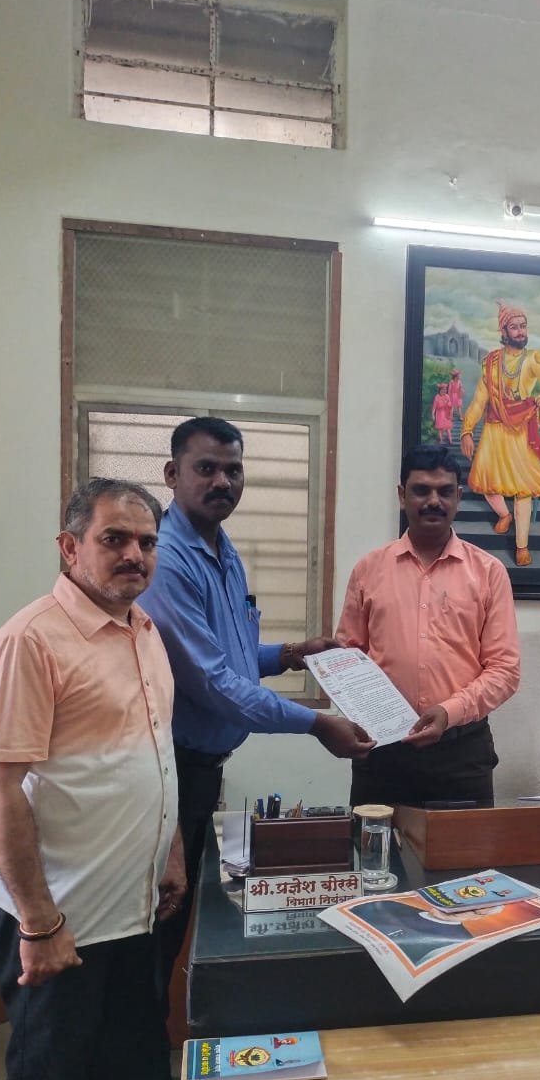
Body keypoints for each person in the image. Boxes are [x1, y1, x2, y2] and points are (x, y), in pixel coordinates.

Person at [0, 478, 181, 1080]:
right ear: (70, 547)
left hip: (128, 910)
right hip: (59, 919)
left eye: (147, 542)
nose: (134, 555)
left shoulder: (143, 630)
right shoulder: (29, 641)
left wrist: (171, 851)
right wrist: (38, 922)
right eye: (114, 539)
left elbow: (155, 753)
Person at [140, 417, 374, 996]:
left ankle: (152, 1039)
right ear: (172, 474)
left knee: (176, 924)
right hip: (168, 773)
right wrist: (316, 724)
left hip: (201, 772)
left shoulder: (221, 549)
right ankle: (141, 1049)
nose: (222, 482)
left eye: (234, 470)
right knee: (155, 932)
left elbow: (234, 654)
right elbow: (213, 682)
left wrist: (291, 654)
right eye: (206, 468)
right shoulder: (168, 560)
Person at [335, 445, 520, 808]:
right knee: (375, 845)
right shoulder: (368, 570)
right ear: (402, 496)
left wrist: (449, 712)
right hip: (383, 754)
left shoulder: (489, 573)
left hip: (461, 754)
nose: (434, 501)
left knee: (464, 848)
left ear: (458, 498)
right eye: (421, 490)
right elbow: (347, 658)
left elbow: (505, 670)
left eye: (444, 491)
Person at [460, 302, 540, 566]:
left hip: (520, 430)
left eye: (523, 326)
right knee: (487, 483)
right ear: (504, 331)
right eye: (514, 327)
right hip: (493, 430)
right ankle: (504, 515)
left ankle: (522, 546)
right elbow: (479, 401)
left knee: (523, 490)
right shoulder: (491, 362)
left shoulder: (534, 359)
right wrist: (466, 430)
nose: (520, 331)